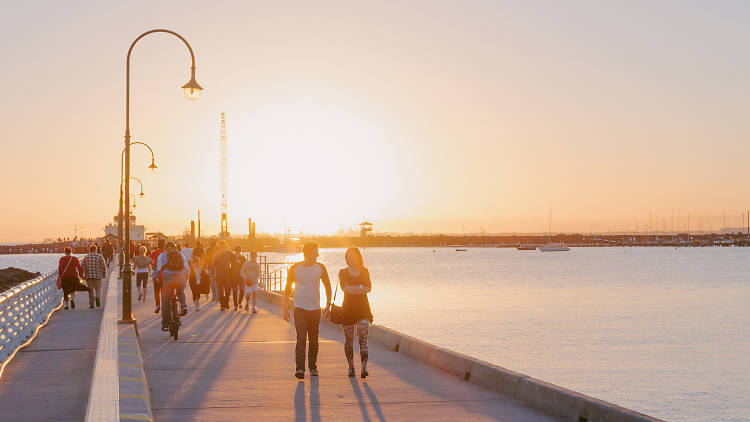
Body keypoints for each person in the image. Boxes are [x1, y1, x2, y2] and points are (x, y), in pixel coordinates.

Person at [283, 243, 332, 379]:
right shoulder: (295, 268)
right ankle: (300, 368)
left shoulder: (320, 268)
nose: (317, 255)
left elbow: (328, 286)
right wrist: (285, 308)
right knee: (301, 339)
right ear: (309, 253)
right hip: (299, 309)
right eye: (316, 252)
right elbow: (287, 289)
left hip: (316, 309)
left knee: (314, 340)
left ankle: (313, 367)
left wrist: (328, 304)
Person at [338, 247, 373, 378]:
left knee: (363, 340)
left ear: (358, 257)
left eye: (354, 256)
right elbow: (345, 289)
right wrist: (360, 287)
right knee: (349, 341)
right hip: (347, 309)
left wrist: (354, 288)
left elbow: (368, 288)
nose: (352, 258)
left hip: (363, 309)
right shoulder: (343, 272)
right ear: (346, 258)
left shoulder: (365, 271)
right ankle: (351, 367)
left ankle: (364, 368)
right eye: (349, 256)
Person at [156, 242, 189, 330]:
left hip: (168, 279)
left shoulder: (161, 256)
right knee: (180, 291)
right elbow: (187, 269)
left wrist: (159, 281)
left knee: (166, 300)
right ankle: (183, 305)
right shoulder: (180, 255)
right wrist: (185, 279)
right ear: (175, 248)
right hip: (180, 277)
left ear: (165, 248)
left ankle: (166, 324)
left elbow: (159, 270)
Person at [81, 244, 107, 309]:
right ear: (96, 249)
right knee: (98, 289)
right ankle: (97, 298)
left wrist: (82, 275)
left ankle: (91, 304)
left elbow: (82, 267)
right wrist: (104, 274)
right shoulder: (99, 256)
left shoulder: (86, 257)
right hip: (98, 276)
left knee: (90, 291)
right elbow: (104, 266)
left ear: (89, 250)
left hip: (89, 277)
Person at [211, 241, 234, 311]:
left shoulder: (229, 253)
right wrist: (212, 274)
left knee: (228, 290)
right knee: (220, 291)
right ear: (219, 247)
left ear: (225, 246)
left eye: (223, 246)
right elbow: (213, 265)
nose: (222, 248)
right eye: (221, 246)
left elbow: (234, 262)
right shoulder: (216, 255)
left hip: (227, 274)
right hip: (219, 275)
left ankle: (226, 301)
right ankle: (222, 305)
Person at [149, 239, 166, 313]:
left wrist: (153, 265)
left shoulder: (154, 252)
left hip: (156, 273)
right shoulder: (166, 253)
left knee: (156, 290)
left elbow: (149, 260)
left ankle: (157, 305)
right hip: (165, 274)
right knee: (164, 291)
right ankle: (164, 306)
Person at [229, 245, 246, 311]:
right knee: (234, 291)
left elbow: (245, 267)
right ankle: (236, 305)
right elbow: (227, 264)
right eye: (236, 251)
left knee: (242, 290)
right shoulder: (232, 257)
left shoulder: (243, 258)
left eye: (239, 251)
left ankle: (240, 302)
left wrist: (246, 276)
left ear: (240, 251)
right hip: (233, 276)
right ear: (235, 251)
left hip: (241, 277)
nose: (237, 252)